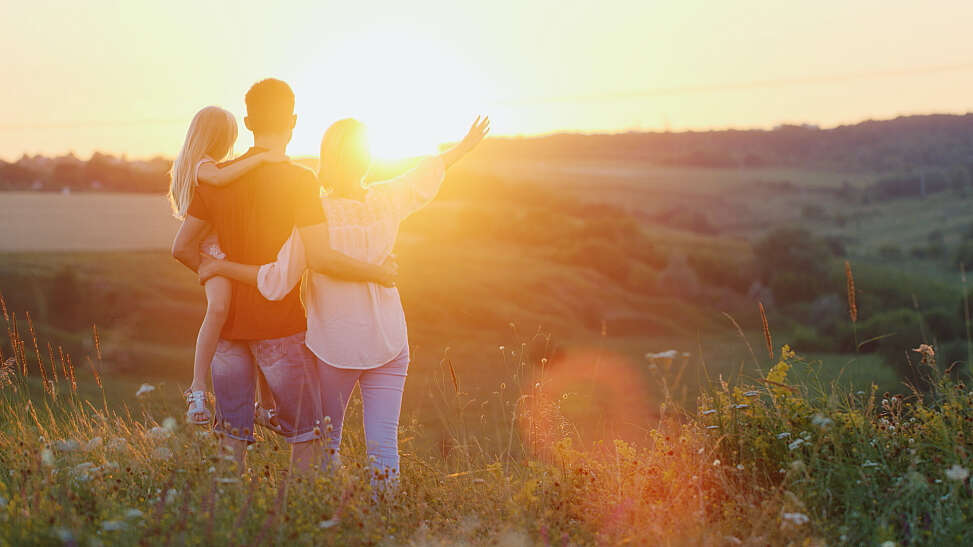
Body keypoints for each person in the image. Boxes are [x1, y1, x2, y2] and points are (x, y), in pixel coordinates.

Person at [199, 115, 489, 491]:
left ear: (326, 159)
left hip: (334, 347)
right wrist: (464, 147)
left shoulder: (313, 213)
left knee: (326, 445)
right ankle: (383, 523)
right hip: (389, 339)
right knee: (384, 446)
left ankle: (327, 519)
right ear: (366, 159)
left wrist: (222, 266)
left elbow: (273, 280)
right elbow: (427, 171)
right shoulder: (386, 199)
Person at [171, 78, 397, 471]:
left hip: (227, 330)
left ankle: (228, 518)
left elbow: (184, 247)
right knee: (308, 434)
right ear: (293, 121)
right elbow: (318, 255)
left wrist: (216, 271)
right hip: (280, 325)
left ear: (247, 120)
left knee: (231, 440)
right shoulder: (300, 181)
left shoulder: (219, 177)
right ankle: (301, 521)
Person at [167, 105, 286, 426]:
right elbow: (221, 177)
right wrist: (261, 157)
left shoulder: (203, 165)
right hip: (214, 252)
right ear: (215, 137)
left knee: (251, 317)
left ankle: (267, 404)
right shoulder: (202, 167)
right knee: (218, 309)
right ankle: (196, 388)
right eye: (228, 137)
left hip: (226, 251)